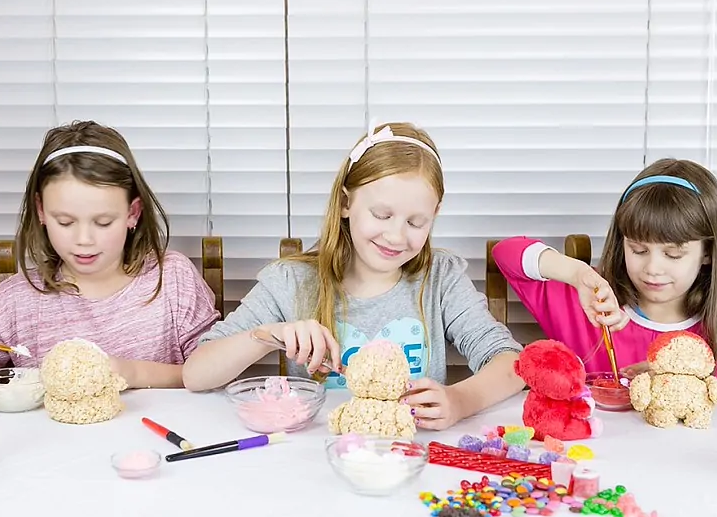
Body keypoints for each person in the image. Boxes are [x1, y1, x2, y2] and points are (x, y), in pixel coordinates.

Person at [183, 122, 525, 428]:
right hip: (321, 460)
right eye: (381, 214)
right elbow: (196, 374)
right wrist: (269, 335)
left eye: (415, 222)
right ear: (346, 203)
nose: (395, 236)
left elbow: (511, 363)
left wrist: (460, 400)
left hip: (411, 457)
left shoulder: (440, 280)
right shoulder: (292, 283)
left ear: (434, 215)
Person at [0, 120, 219, 390]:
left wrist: (132, 372)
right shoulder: (14, 301)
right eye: (65, 222)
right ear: (41, 212)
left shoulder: (173, 280)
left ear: (133, 213)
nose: (84, 240)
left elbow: (213, 374)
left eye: (103, 222)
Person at [492, 158, 717, 390]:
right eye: (638, 250)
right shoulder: (590, 303)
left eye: (673, 255)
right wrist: (576, 273)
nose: (653, 268)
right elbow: (505, 253)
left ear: (708, 252)